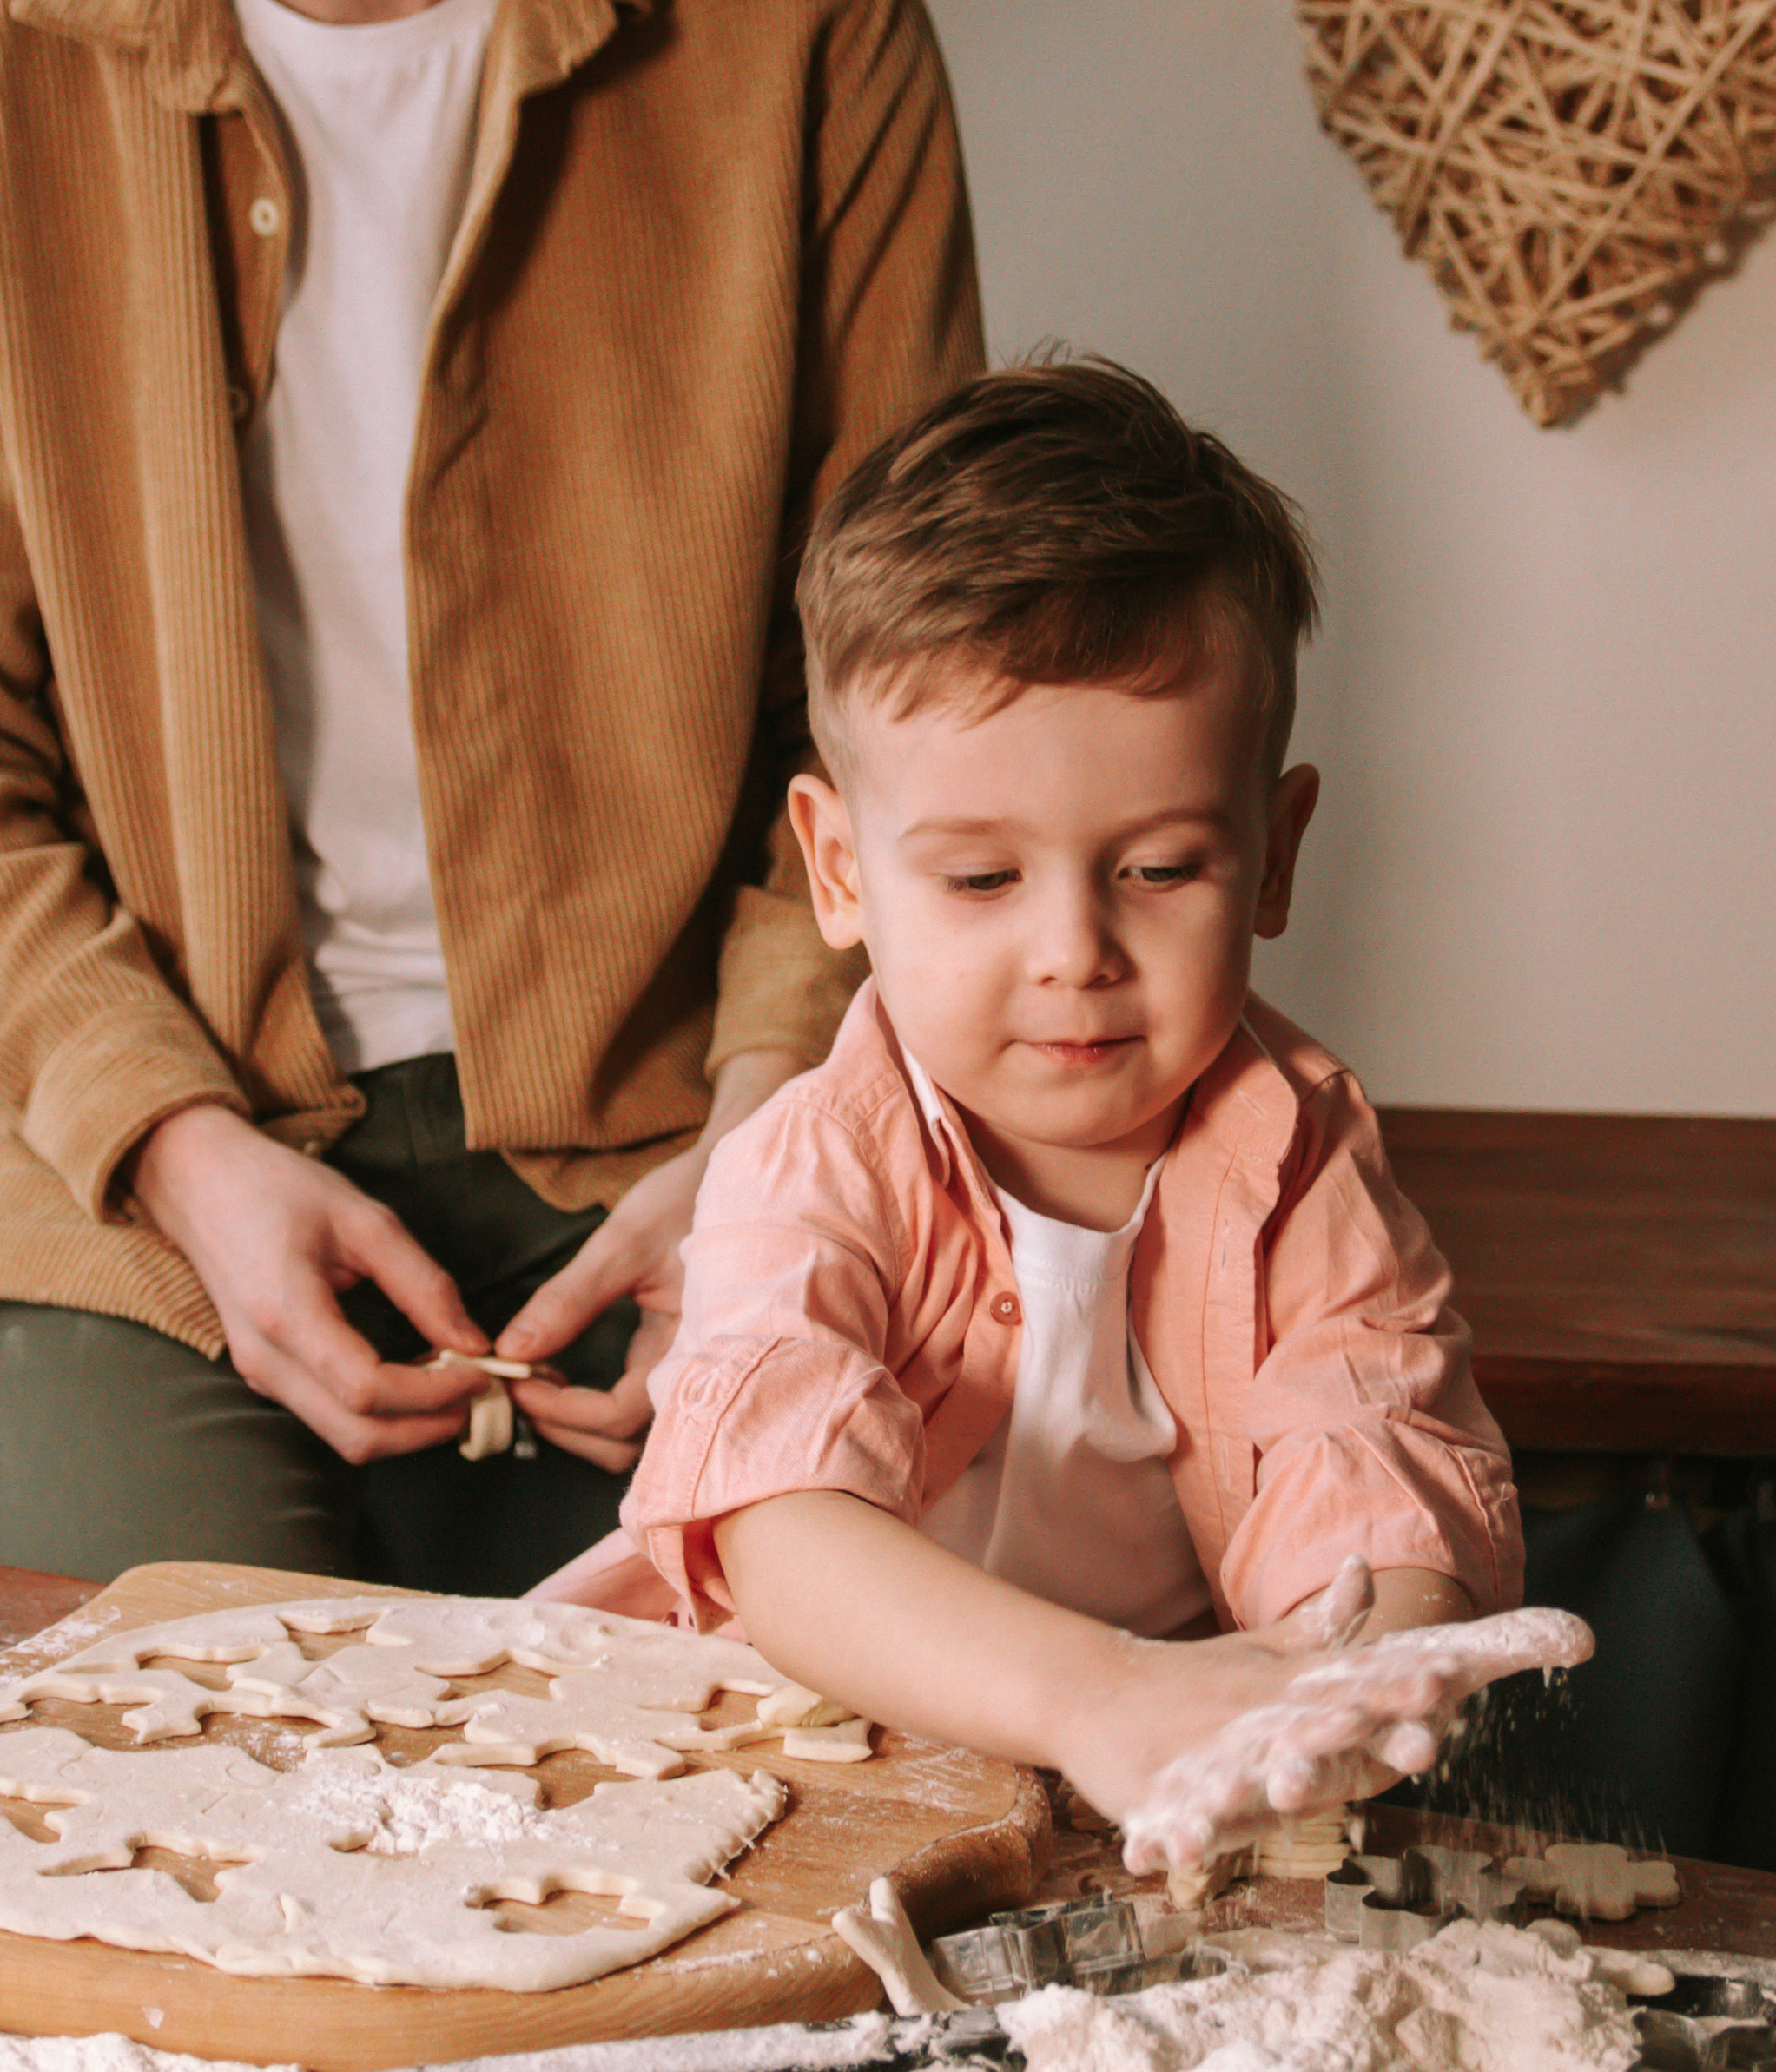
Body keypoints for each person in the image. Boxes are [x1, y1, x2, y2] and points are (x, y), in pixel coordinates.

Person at [0, 0, 980, 1587]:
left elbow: (905, 683)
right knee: (208, 1765)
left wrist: (763, 1132)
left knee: (725, 1746)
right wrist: (178, 1152)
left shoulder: (800, 2)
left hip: (691, 1106)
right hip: (136, 1148)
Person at [542, 357, 1556, 1838]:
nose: (1075, 954)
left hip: (1158, 1785)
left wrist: (1346, 1682)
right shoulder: (807, 1168)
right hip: (795, 1788)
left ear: (1274, 855)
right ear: (839, 871)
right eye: (980, 879)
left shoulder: (1308, 1160)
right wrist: (1099, 1697)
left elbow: (1379, 1467)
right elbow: (782, 1528)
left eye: (1156, 869)